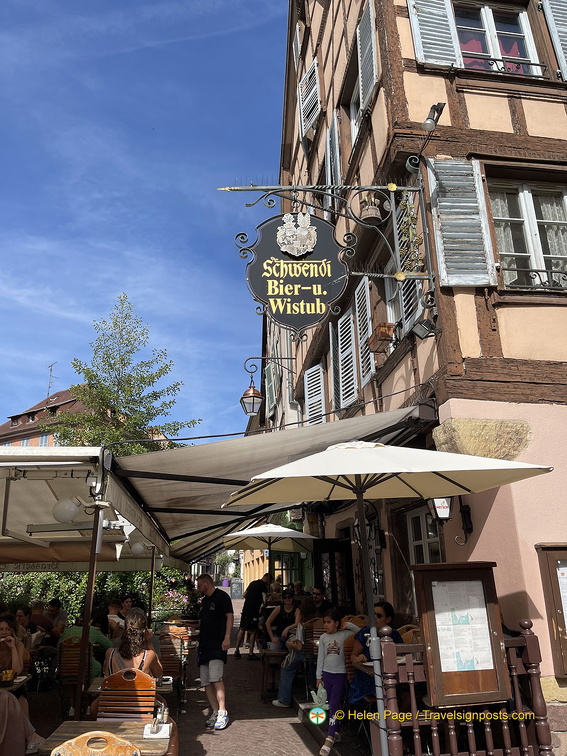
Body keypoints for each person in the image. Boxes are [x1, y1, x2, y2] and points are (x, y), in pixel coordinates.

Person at [316, 609, 359, 756]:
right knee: (331, 704)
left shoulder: (345, 635)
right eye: (324, 622)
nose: (325, 625)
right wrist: (318, 676)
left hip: (340, 674)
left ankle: (329, 737)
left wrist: (348, 625)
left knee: (335, 704)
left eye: (329, 622)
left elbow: (360, 633)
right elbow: (320, 657)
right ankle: (336, 732)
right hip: (327, 674)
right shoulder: (323, 637)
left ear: (336, 623)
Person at [196, 573, 233, 731]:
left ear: (206, 583)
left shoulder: (222, 597)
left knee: (216, 679)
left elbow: (230, 616)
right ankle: (215, 711)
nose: (198, 588)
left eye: (199, 585)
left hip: (217, 645)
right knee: (206, 682)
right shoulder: (204, 601)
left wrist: (227, 637)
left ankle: (223, 711)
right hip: (204, 646)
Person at [349, 601, 402, 704]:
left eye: (379, 615)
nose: (374, 617)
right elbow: (353, 657)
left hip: (389, 675)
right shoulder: (364, 632)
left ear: (388, 619)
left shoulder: (394, 634)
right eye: (372, 614)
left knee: (405, 692)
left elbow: (399, 656)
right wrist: (358, 658)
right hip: (367, 677)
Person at [272, 597, 318, 708]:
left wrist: (289, 644)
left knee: (286, 668)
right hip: (319, 655)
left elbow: (299, 646)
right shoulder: (322, 622)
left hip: (305, 654)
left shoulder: (303, 624)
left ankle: (284, 700)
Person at [58, 613, 114, 679]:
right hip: (87, 669)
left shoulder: (67, 631)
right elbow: (110, 646)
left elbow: (58, 646)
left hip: (65, 669)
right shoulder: (93, 631)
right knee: (98, 666)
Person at [233, 572, 270, 660]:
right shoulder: (263, 587)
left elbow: (244, 594)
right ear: (267, 578)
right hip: (254, 611)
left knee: (242, 629)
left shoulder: (252, 583)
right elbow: (265, 600)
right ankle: (250, 653)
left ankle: (237, 650)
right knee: (253, 631)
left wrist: (250, 599)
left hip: (246, 609)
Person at [0, 613, 30, 720]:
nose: (4, 633)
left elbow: (17, 670)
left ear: (12, 631)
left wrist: (12, 648)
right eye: (1, 629)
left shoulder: (18, 646)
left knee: (21, 699)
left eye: (7, 629)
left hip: (13, 688)